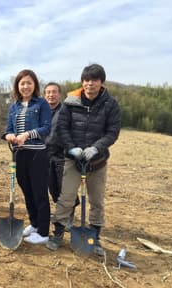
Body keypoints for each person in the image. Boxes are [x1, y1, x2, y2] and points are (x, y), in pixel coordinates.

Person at [46, 64, 121, 256]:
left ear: (101, 82)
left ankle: (94, 238)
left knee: (97, 201)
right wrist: (71, 147)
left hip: (97, 162)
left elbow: (112, 132)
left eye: (94, 80)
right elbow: (63, 128)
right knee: (66, 198)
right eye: (86, 80)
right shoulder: (71, 102)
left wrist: (97, 148)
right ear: (82, 82)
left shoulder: (110, 104)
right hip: (73, 159)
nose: (90, 84)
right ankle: (58, 233)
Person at [3, 69, 52, 245]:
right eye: (22, 83)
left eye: (29, 83)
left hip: (37, 154)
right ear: (17, 85)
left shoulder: (41, 104)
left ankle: (44, 231)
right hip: (20, 155)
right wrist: (9, 135)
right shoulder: (14, 106)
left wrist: (28, 134)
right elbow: (8, 129)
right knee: (27, 191)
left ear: (34, 85)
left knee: (39, 192)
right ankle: (35, 224)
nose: (25, 86)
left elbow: (46, 128)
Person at [44, 82, 79, 229]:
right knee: (52, 188)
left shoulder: (65, 110)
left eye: (54, 92)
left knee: (65, 189)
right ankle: (61, 213)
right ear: (45, 95)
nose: (51, 95)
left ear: (59, 94)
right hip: (46, 155)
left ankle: (68, 216)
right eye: (48, 92)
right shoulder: (42, 111)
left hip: (62, 155)